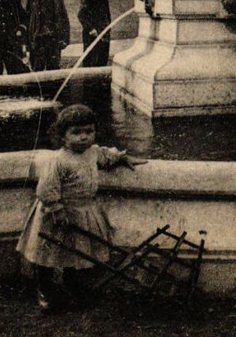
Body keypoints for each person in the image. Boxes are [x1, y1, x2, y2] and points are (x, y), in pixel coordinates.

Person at [16, 103, 144, 310]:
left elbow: (105, 156)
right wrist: (57, 209)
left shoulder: (92, 152)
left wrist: (121, 157)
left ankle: (73, 288)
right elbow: (46, 188)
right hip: (57, 212)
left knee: (76, 252)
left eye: (89, 131)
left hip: (83, 211)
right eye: (76, 133)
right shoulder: (59, 160)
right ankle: (45, 291)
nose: (84, 137)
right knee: (47, 254)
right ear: (63, 136)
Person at [27, 0, 70, 72]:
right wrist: (27, 42)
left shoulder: (58, 1)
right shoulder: (31, 1)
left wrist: (65, 39)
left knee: (54, 69)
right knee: (37, 69)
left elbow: (65, 21)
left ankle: (54, 87)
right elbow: (27, 22)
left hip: (53, 40)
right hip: (37, 41)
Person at [78, 0, 112, 67]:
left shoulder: (105, 0)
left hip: (103, 33)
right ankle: (87, 79)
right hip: (91, 34)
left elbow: (107, 17)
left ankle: (100, 79)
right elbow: (81, 16)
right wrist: (91, 29)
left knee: (103, 57)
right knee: (90, 56)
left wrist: (108, 29)